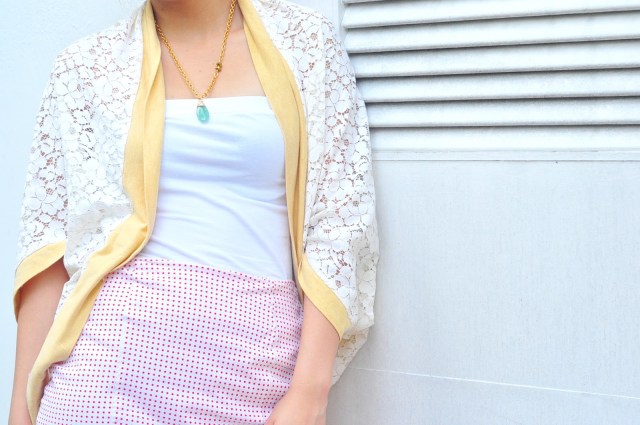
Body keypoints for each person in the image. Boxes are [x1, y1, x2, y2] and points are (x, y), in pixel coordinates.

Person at [8, 0, 378, 424]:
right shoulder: (84, 65)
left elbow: (340, 220)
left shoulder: (306, 43)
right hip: (104, 376)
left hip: (257, 370)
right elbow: (49, 245)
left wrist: (310, 391)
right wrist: (20, 412)